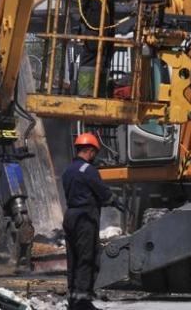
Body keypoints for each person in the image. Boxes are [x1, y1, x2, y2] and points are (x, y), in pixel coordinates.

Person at [62, 132, 125, 310]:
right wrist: (114, 201)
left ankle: (73, 299)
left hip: (70, 216)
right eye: (94, 153)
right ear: (89, 151)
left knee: (73, 258)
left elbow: (80, 192)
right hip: (85, 218)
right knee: (87, 258)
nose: (94, 157)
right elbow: (102, 192)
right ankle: (82, 302)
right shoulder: (88, 170)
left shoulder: (68, 170)